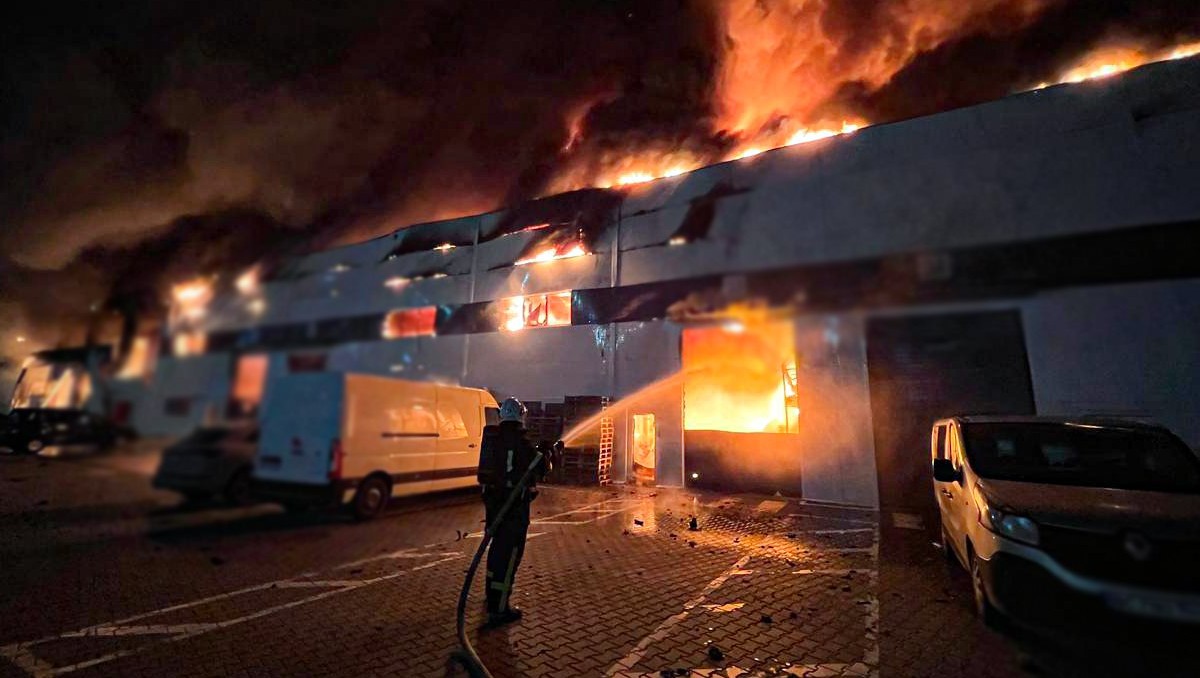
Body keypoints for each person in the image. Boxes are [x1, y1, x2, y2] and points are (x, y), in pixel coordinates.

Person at [477, 397, 550, 628]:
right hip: (514, 513)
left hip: (494, 510)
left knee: (496, 554)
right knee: (509, 560)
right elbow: (541, 469)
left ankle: (491, 598)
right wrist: (548, 454)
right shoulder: (521, 440)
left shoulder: (492, 438)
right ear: (521, 414)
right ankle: (499, 609)